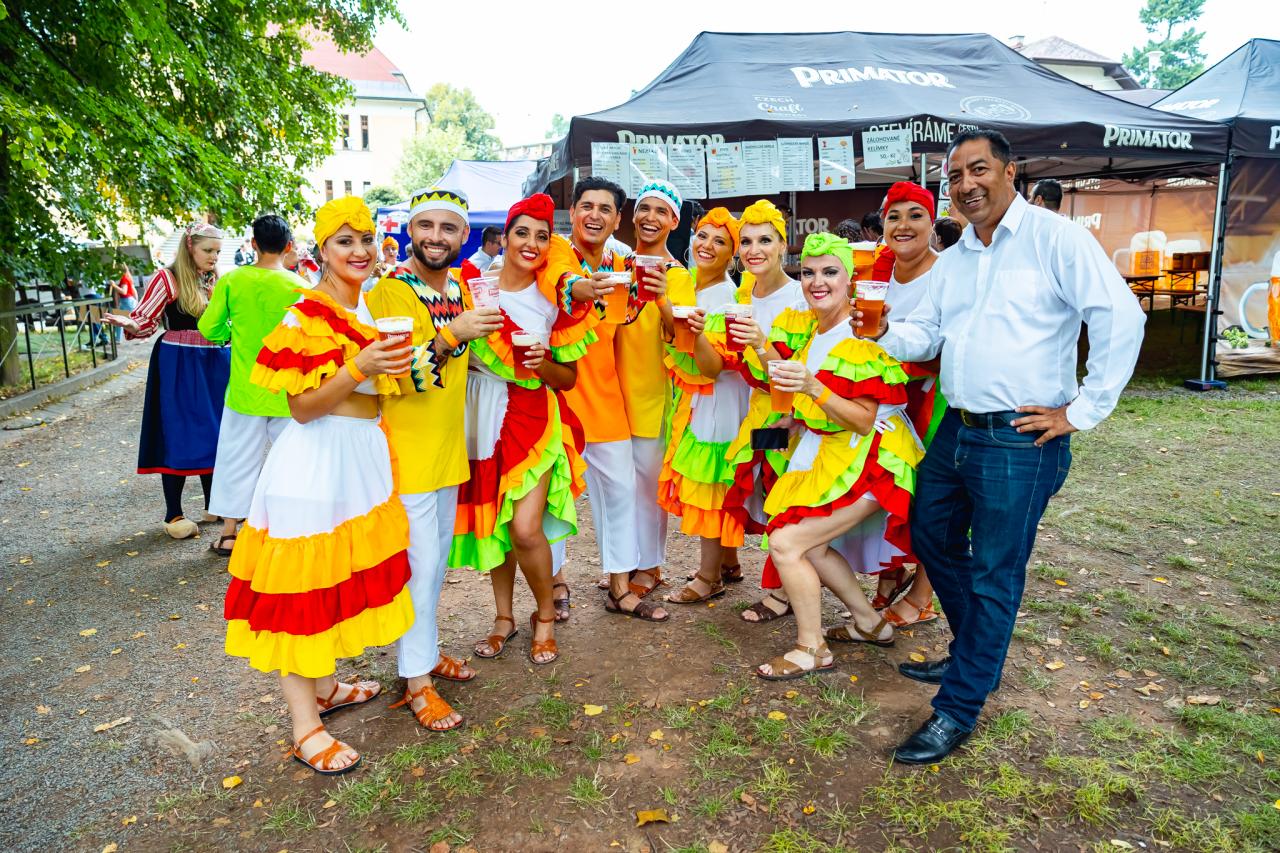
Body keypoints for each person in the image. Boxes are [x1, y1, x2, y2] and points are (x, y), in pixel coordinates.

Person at [865, 129, 1145, 764]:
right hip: (958, 428)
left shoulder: (1056, 238)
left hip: (1021, 437)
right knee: (931, 535)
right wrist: (881, 333)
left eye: (978, 169)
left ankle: (958, 707)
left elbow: (1120, 316)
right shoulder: (957, 257)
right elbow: (928, 333)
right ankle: (976, 657)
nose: (966, 184)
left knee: (995, 571)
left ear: (1010, 172)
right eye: (955, 175)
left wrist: (1084, 410)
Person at [224, 196, 415, 775]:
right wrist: (361, 369)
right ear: (322, 251)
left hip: (358, 461)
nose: (359, 251)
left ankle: (327, 689)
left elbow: (375, 390)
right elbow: (302, 408)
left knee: (336, 576)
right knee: (302, 593)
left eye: (366, 239)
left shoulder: (366, 308)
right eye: (344, 241)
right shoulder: (306, 314)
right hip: (314, 464)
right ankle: (305, 727)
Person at [750, 232, 920, 680]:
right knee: (813, 547)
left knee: (787, 543)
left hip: (873, 457)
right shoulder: (816, 329)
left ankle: (812, 648)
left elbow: (862, 420)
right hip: (833, 450)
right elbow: (821, 401)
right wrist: (793, 420)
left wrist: (811, 387)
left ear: (850, 281)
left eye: (830, 272)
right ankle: (869, 624)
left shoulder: (859, 336)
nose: (817, 282)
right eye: (808, 272)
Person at [367, 187, 503, 731]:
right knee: (419, 568)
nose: (436, 237)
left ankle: (421, 653)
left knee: (434, 564)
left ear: (464, 235)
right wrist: (451, 337)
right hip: (408, 453)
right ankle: (417, 682)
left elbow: (472, 360)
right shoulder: (392, 291)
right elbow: (398, 375)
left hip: (447, 448)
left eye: (448, 228)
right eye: (426, 226)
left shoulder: (462, 289)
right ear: (410, 231)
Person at [451, 194, 592, 663]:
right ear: (504, 237)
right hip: (478, 413)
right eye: (522, 233)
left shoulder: (554, 300)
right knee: (497, 522)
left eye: (542, 236)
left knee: (526, 528)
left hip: (531, 414)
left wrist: (541, 364)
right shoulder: (471, 288)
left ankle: (545, 615)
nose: (531, 243)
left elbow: (567, 379)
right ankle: (503, 618)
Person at [550, 177, 670, 622]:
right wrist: (581, 287)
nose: (594, 215)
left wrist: (659, 293)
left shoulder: (623, 262)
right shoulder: (557, 251)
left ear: (618, 219)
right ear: (573, 213)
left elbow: (637, 312)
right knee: (553, 498)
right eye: (587, 206)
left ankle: (619, 587)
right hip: (555, 395)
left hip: (604, 395)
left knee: (621, 490)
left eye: (605, 209)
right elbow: (562, 281)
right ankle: (555, 584)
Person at [103, 223, 230, 539]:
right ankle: (173, 513)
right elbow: (145, 320)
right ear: (190, 247)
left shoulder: (216, 279)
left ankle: (214, 503)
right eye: (208, 250)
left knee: (216, 429)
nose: (214, 257)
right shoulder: (168, 277)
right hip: (180, 361)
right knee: (179, 431)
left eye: (217, 251)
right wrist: (131, 323)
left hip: (214, 362)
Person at [717, 200, 808, 622]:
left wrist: (759, 342)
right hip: (756, 410)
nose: (755, 250)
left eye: (765, 240)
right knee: (766, 493)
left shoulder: (801, 297)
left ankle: (781, 593)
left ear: (783, 245)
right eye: (747, 241)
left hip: (790, 415)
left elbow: (799, 371)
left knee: (784, 495)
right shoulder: (743, 294)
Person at [865, 182, 947, 628]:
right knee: (893, 490)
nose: (903, 225)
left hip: (931, 398)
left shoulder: (947, 273)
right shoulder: (878, 270)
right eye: (894, 216)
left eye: (915, 215)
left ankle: (922, 594)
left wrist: (886, 341)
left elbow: (937, 344)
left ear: (932, 223)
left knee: (934, 497)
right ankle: (891, 570)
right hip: (886, 399)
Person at [198, 215, 305, 556]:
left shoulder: (233, 280)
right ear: (288, 246)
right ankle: (290, 529)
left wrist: (231, 332)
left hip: (246, 389)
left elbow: (209, 328)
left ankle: (230, 533)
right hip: (287, 392)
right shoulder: (300, 286)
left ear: (254, 243)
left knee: (235, 460)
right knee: (293, 462)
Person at [661, 208, 752, 606]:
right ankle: (729, 562)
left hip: (720, 398)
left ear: (733, 255)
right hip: (708, 397)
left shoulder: (722, 298)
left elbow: (713, 367)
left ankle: (708, 576)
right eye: (702, 236)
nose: (707, 246)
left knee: (710, 480)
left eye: (720, 241)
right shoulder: (695, 288)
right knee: (718, 478)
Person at [612, 180, 684, 608]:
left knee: (645, 485)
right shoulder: (617, 266)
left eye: (661, 211)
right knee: (619, 486)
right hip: (610, 392)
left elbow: (684, 337)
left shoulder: (678, 276)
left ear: (674, 221)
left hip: (652, 394)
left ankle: (651, 565)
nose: (650, 218)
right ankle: (624, 563)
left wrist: (662, 300)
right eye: (644, 209)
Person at [108, 264, 138, 343]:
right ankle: (117, 339)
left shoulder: (124, 278)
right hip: (127, 301)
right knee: (121, 320)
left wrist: (114, 285)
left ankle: (118, 339)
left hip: (127, 301)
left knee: (128, 319)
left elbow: (124, 292)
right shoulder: (126, 278)